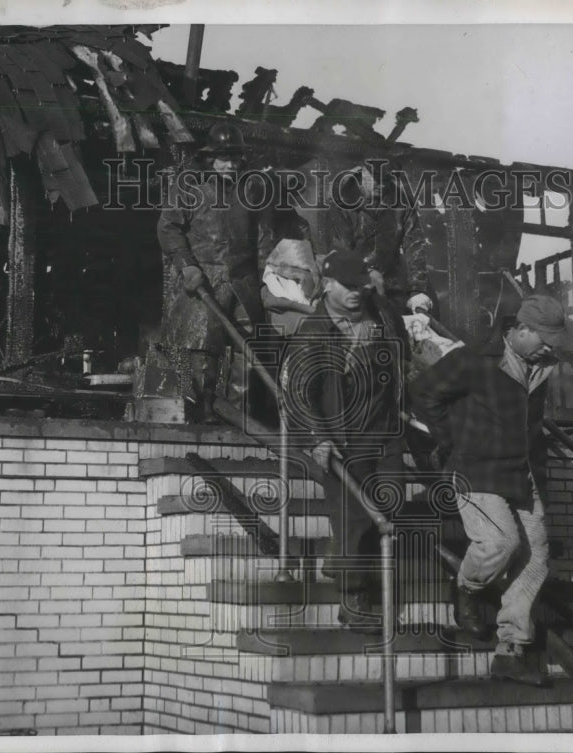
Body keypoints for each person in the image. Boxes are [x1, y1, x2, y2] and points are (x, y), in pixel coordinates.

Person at [409, 294, 573, 686]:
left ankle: (511, 649)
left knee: (536, 555)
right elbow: (423, 393)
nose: (549, 347)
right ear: (518, 330)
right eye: (543, 338)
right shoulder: (474, 361)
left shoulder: (541, 368)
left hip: (521, 472)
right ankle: (466, 588)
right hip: (475, 470)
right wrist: (450, 440)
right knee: (501, 542)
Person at [283, 249, 410, 633]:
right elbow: (297, 392)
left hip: (383, 431)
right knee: (353, 516)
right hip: (340, 438)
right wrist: (318, 438)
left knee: (390, 500)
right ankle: (353, 599)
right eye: (348, 286)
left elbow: (403, 357)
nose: (357, 292)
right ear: (328, 285)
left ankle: (341, 559)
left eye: (362, 285)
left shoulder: (383, 315)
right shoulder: (314, 331)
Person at [157, 123, 273, 423]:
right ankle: (204, 410)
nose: (230, 165)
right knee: (203, 348)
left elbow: (262, 237)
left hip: (243, 281)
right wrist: (187, 264)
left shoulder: (251, 189)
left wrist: (265, 280)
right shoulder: (190, 186)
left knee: (245, 350)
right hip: (205, 279)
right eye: (223, 158)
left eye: (234, 158)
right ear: (210, 158)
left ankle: (237, 414)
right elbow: (168, 228)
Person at [328, 161, 429, 311]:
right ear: (362, 173)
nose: (381, 184)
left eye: (386, 179)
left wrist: (417, 290)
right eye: (376, 177)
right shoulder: (342, 202)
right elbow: (341, 251)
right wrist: (366, 273)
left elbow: (415, 245)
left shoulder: (402, 201)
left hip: (392, 286)